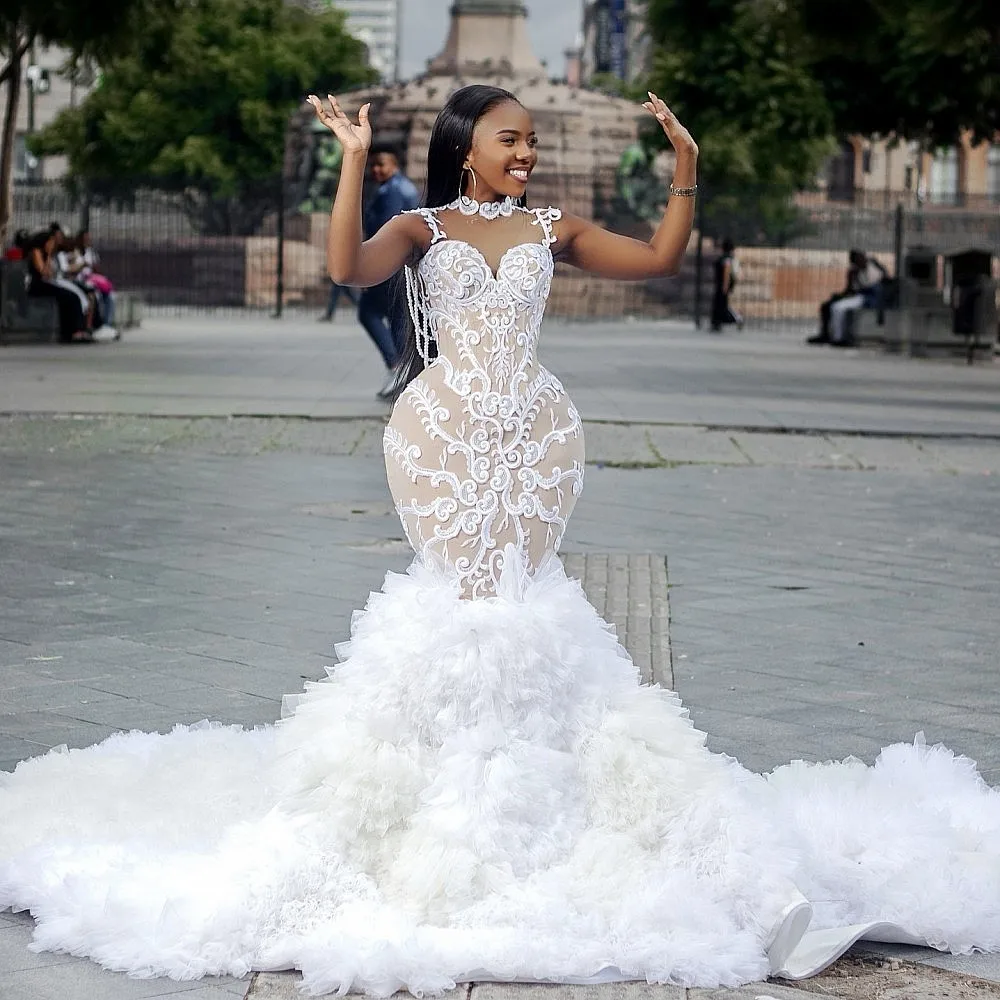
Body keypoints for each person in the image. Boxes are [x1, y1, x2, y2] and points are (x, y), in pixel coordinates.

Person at [2, 86, 998, 998]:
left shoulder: (549, 227)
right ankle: (433, 802)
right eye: (508, 138)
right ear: (464, 150)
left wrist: (684, 163)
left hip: (534, 434)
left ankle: (541, 795)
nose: (526, 152)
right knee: (460, 602)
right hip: (435, 436)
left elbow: (658, 259)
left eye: (532, 139)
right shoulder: (420, 224)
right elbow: (346, 267)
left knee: (519, 601)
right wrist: (351, 157)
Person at [355, 141, 419, 398]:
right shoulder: (403, 187)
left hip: (389, 265)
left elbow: (386, 232)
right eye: (374, 165)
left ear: (395, 164)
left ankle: (397, 365)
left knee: (368, 313)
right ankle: (403, 373)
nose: (376, 170)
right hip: (401, 265)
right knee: (397, 320)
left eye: (381, 164)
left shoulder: (391, 192)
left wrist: (370, 268)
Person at [808, 249, 887, 347]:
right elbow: (851, 289)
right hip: (859, 295)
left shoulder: (873, 269)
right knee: (828, 306)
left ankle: (839, 337)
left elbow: (869, 286)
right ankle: (828, 335)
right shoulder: (855, 271)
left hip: (869, 297)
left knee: (837, 308)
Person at [24, 228, 91, 342]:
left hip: (47, 283)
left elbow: (50, 273)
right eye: (50, 242)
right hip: (37, 285)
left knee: (71, 295)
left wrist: (49, 256)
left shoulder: (47, 254)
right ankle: (74, 331)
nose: (52, 245)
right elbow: (44, 272)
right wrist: (49, 254)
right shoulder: (37, 252)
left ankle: (72, 331)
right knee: (68, 296)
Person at [710, 236, 744, 332]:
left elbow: (726, 271)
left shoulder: (726, 258)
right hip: (722, 284)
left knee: (722, 305)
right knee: (720, 304)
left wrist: (725, 285)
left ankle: (735, 319)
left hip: (723, 284)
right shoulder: (728, 257)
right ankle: (716, 322)